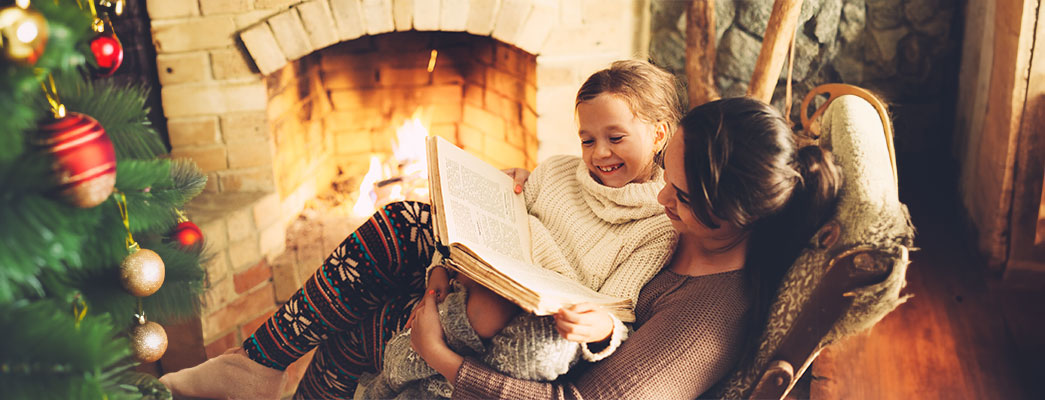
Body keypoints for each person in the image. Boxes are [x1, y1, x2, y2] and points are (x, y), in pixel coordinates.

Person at [158, 59, 684, 399]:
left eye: (615, 137)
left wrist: (600, 329)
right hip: (474, 280)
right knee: (403, 217)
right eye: (587, 139)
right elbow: (505, 223)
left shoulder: (655, 225)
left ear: (659, 132)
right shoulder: (558, 173)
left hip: (517, 322)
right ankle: (257, 361)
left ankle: (251, 370)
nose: (599, 153)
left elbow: (618, 311)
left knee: (359, 334)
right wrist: (440, 270)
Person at [407, 96, 843, 399]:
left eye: (682, 196)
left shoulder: (709, 319)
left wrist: (441, 358)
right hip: (495, 309)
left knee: (368, 346)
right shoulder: (689, 227)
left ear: (739, 216)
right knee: (404, 220)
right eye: (666, 177)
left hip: (503, 366)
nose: (661, 197)